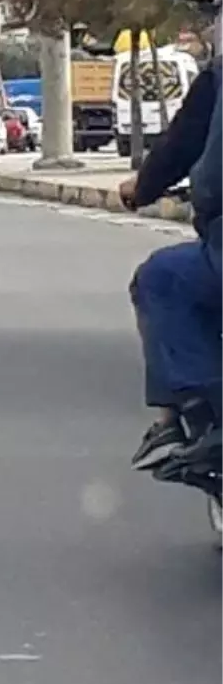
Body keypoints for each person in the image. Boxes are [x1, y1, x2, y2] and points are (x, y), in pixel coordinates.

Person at [121, 59, 223, 472]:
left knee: (159, 278)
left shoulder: (218, 77)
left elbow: (180, 147)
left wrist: (142, 187)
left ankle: (201, 413)